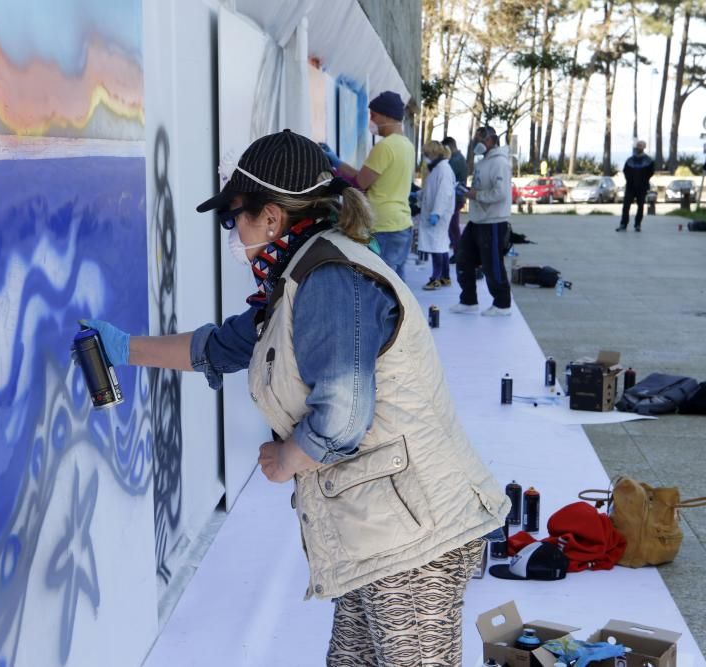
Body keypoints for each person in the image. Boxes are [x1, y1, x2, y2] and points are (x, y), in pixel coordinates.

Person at [84, 130, 508, 665]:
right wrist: (122, 348)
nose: (231, 232)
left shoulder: (331, 280)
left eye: (232, 216)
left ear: (272, 217)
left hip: (413, 539)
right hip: (376, 530)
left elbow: (343, 415)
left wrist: (290, 457)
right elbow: (221, 346)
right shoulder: (295, 280)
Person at [321, 91, 415, 280]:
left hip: (383, 226)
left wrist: (332, 170)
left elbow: (359, 183)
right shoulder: (406, 145)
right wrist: (338, 162)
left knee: (381, 285)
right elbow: (365, 176)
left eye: (374, 115)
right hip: (401, 224)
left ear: (387, 116)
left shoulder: (385, 146)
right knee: (397, 286)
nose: (371, 120)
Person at [450, 125, 514, 316]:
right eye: (476, 139)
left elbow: (500, 193)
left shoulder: (500, 163)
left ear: (491, 140)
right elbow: (482, 187)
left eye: (481, 139)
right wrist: (471, 191)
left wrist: (476, 195)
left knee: (492, 264)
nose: (477, 143)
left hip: (493, 221)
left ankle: (502, 304)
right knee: (463, 258)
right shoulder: (484, 161)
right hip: (478, 220)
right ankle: (468, 300)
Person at [417, 141, 456, 290]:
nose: (425, 157)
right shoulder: (438, 169)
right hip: (437, 213)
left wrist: (436, 213)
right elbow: (431, 190)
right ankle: (445, 277)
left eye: (426, 154)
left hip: (438, 215)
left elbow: (444, 193)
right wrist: (418, 195)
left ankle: (436, 278)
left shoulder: (443, 170)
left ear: (433, 153)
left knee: (436, 246)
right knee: (442, 245)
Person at [616, 140, 655, 232]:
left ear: (644, 147)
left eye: (640, 145)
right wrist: (630, 179)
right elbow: (625, 171)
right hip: (630, 187)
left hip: (642, 187)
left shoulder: (648, 161)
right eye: (637, 145)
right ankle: (623, 224)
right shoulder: (630, 160)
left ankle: (637, 225)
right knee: (626, 206)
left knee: (640, 206)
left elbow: (651, 172)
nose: (638, 147)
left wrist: (643, 180)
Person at [442, 136, 468, 258]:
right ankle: (458, 251)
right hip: (456, 197)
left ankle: (458, 252)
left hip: (456, 198)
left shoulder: (456, 161)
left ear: (450, 146)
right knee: (452, 226)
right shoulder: (457, 159)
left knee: (453, 226)